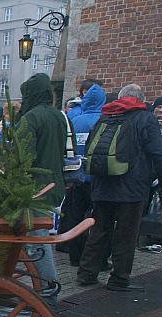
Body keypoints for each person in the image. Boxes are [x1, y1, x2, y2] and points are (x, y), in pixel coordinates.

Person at [77, 84, 162, 291]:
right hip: (132, 187)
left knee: (99, 230)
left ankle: (86, 273)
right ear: (141, 99)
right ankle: (119, 279)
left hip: (102, 185)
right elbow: (160, 155)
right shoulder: (144, 119)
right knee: (126, 234)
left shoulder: (105, 116)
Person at [18, 73, 68, 305]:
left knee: (37, 241)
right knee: (43, 237)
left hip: (35, 190)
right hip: (55, 185)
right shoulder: (59, 115)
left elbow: (21, 156)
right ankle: (48, 286)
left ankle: (48, 290)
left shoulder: (31, 118)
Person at [59, 82, 107, 266]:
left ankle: (74, 255)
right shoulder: (103, 120)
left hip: (76, 176)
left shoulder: (75, 118)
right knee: (97, 220)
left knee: (75, 217)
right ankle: (95, 259)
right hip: (95, 177)